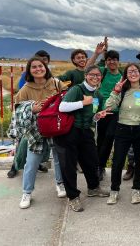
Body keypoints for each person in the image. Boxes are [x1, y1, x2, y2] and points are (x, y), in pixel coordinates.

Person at [55, 65, 110, 212]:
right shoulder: (77, 89)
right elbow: (62, 107)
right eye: (92, 74)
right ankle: (73, 197)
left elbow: (92, 115)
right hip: (69, 131)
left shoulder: (98, 95)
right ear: (86, 75)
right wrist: (83, 102)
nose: (95, 77)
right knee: (69, 166)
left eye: (98, 75)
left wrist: (98, 116)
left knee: (92, 160)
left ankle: (93, 188)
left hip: (86, 131)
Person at [17, 57, 67, 209]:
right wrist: (31, 109)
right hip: (36, 130)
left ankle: (60, 184)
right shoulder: (25, 89)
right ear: (29, 70)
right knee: (32, 162)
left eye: (41, 66)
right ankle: (27, 192)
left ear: (45, 67)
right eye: (34, 67)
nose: (38, 69)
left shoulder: (56, 83)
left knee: (58, 158)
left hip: (55, 127)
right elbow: (17, 110)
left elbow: (67, 97)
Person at [105, 64, 140, 205]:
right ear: (126, 75)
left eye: (135, 70)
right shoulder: (122, 90)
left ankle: (136, 189)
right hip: (123, 129)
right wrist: (115, 91)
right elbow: (108, 107)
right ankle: (114, 190)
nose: (133, 73)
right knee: (118, 161)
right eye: (129, 71)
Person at [8, 50, 51, 178]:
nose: (43, 61)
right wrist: (30, 108)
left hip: (44, 116)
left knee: (40, 143)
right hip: (29, 114)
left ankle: (37, 164)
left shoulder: (50, 79)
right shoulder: (27, 77)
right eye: (40, 59)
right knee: (22, 142)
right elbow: (21, 96)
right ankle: (14, 166)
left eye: (45, 59)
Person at [86, 39, 122, 181]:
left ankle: (101, 166)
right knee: (100, 140)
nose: (111, 62)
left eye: (114, 60)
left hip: (115, 113)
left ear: (118, 61)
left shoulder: (122, 76)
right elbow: (88, 69)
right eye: (109, 60)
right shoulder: (103, 72)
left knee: (109, 138)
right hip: (101, 112)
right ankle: (99, 166)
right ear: (106, 61)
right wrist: (96, 54)